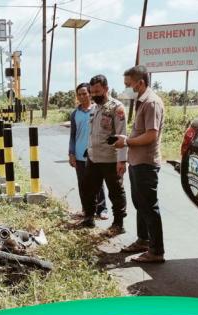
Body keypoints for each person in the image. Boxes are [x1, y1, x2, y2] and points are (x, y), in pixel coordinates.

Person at [114, 65, 166, 263]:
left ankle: (156, 250)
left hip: (146, 162)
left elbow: (151, 136)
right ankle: (143, 240)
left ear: (140, 83)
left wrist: (126, 141)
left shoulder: (151, 103)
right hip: (137, 161)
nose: (127, 88)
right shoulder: (141, 101)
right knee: (140, 204)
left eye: (129, 85)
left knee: (149, 206)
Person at [79, 74, 127, 236]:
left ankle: (118, 224)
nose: (94, 95)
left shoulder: (116, 108)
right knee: (88, 189)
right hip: (94, 157)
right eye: (92, 92)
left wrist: (122, 160)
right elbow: (94, 133)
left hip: (110, 159)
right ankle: (89, 218)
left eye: (97, 92)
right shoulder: (95, 107)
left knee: (116, 192)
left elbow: (122, 135)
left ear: (106, 89)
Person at [68, 82, 108, 219]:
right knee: (83, 184)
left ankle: (102, 209)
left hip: (96, 154)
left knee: (98, 183)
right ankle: (86, 209)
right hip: (79, 155)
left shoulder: (98, 110)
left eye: (85, 93)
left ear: (90, 94)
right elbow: (72, 135)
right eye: (79, 94)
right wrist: (71, 153)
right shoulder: (75, 114)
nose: (82, 96)